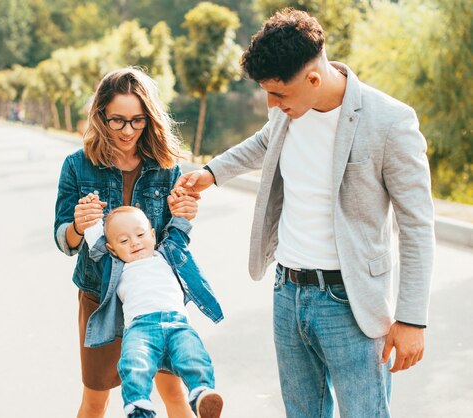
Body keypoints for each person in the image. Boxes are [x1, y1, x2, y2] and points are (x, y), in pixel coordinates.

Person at [174, 8, 435, 418]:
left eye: (278, 94)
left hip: (350, 304)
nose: (270, 104)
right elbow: (263, 143)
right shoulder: (285, 110)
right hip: (287, 292)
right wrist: (211, 172)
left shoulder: (390, 122)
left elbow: (417, 226)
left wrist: (412, 320)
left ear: (313, 79)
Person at [54, 67, 201, 418]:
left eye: (137, 121)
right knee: (96, 400)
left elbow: (170, 241)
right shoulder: (77, 165)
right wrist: (78, 224)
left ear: (149, 119)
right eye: (117, 121)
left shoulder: (166, 167)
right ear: (100, 115)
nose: (127, 131)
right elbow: (64, 239)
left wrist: (185, 213)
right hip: (100, 299)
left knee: (174, 395)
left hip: (155, 297)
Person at [81, 200, 224, 418]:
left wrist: (183, 198)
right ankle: (138, 406)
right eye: (123, 240)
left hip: (178, 325)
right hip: (141, 329)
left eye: (140, 235)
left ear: (153, 235)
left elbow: (179, 228)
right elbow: (95, 242)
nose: (134, 243)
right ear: (112, 248)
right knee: (134, 363)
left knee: (193, 356)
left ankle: (202, 393)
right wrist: (90, 211)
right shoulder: (116, 265)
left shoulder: (169, 254)